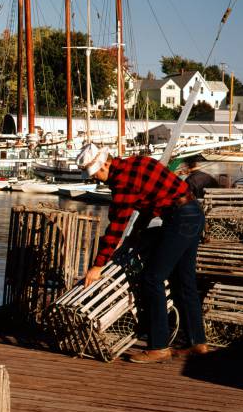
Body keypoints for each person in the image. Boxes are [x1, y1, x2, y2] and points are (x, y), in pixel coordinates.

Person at [78, 144, 208, 363]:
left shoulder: (122, 182)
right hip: (193, 213)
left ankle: (159, 346)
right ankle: (197, 343)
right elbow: (149, 203)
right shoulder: (138, 162)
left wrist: (98, 265)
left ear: (107, 163)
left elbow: (116, 226)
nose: (98, 180)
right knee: (183, 280)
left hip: (179, 219)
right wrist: (137, 233)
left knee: (152, 278)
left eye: (98, 173)